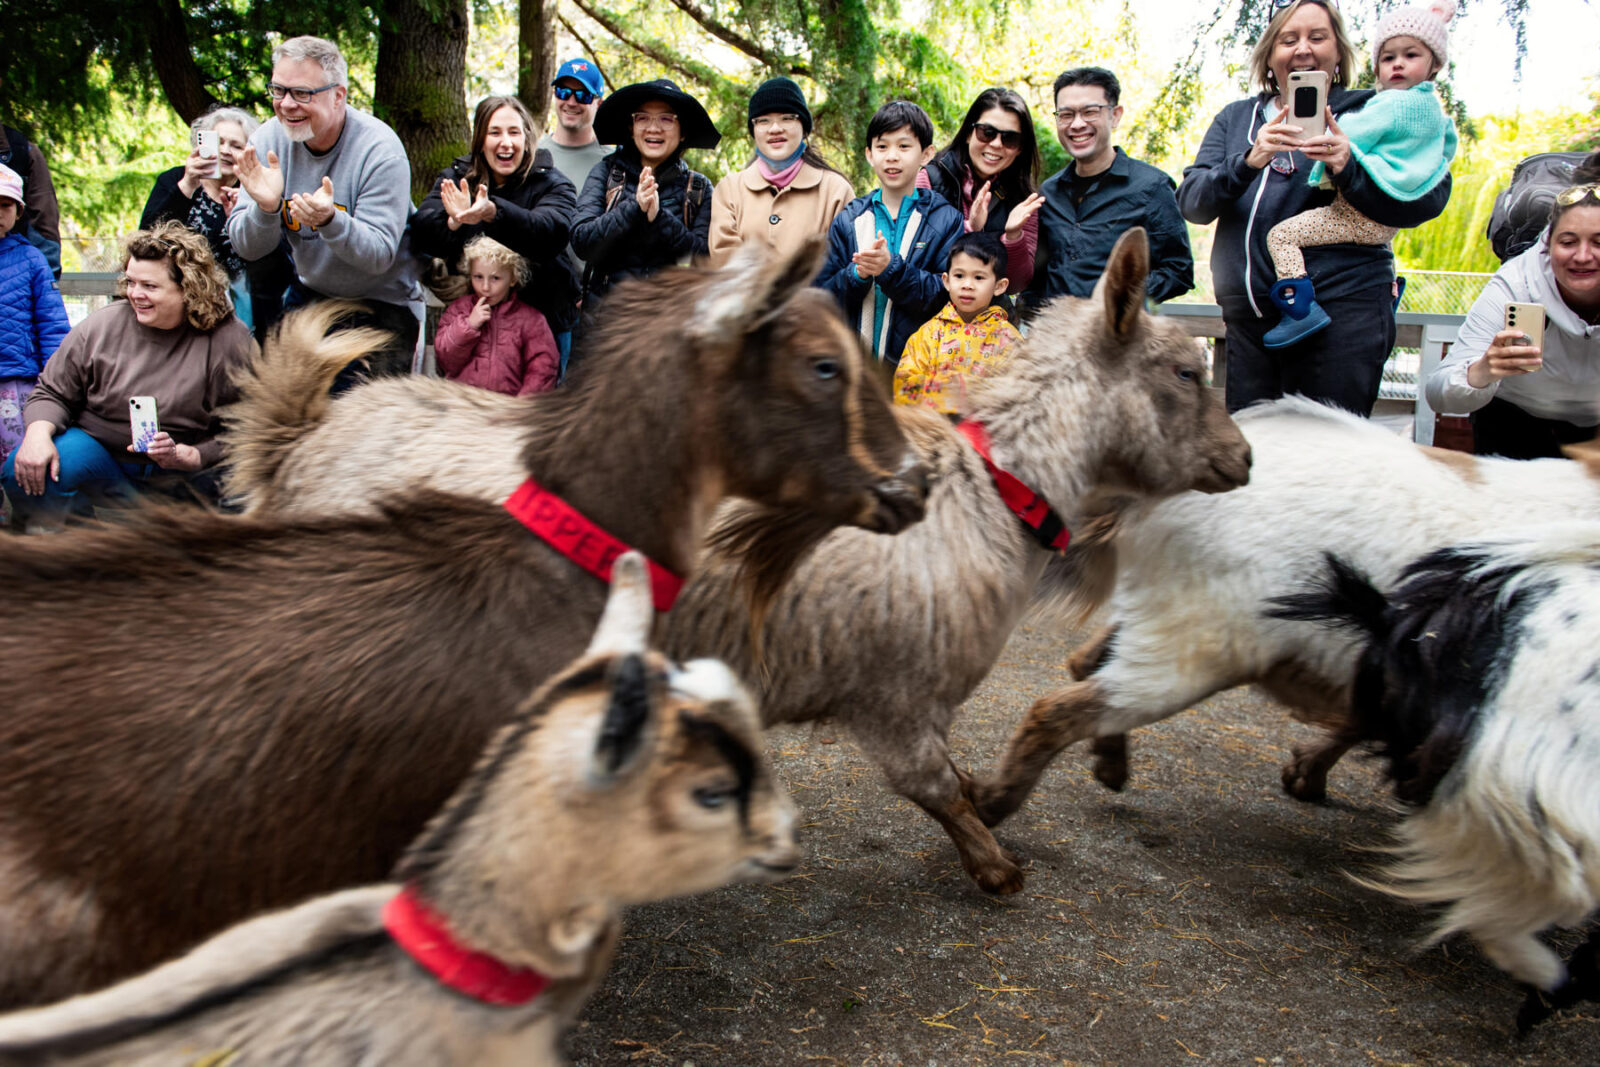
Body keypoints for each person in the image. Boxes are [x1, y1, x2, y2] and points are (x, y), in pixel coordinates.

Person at [1177, 0, 1451, 416]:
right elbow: (1193, 204)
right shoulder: (1236, 119)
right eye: (1289, 40)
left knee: (1327, 461)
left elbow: (1426, 199)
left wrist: (1347, 167)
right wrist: (1250, 159)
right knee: (1256, 462)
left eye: (1317, 37)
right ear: (1270, 55)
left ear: (1338, 51)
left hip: (1342, 321)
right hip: (1250, 323)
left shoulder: (1375, 109)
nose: (1303, 49)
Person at [1, 222, 255, 531]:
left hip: (185, 470)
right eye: (131, 282)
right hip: (102, 454)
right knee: (24, 469)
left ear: (189, 287)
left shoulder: (228, 340)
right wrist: (37, 436)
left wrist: (196, 455)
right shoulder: (102, 325)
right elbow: (52, 392)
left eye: (150, 286)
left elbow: (251, 425)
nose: (135, 294)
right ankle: (82, 544)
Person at [1261, 0, 1458, 348]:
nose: (1397, 64)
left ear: (1435, 63)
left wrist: (1331, 141)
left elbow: (1353, 130)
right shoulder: (1435, 112)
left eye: (1411, 55)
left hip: (1356, 217)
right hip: (1382, 225)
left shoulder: (1392, 104)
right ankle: (1388, 292)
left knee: (1281, 236)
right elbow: (1447, 149)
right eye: (1388, 57)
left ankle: (1301, 310)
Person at [226, 34, 423, 379]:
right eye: (278, 90)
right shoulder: (267, 141)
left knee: (358, 421)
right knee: (289, 408)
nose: (287, 104)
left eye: (302, 93)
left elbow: (378, 256)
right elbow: (247, 247)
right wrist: (266, 208)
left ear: (338, 96)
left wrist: (331, 221)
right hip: (313, 292)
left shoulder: (380, 150)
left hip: (383, 301)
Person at [1425, 161, 1600, 460]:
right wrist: (1481, 371)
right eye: (1568, 242)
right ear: (1548, 244)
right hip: (1515, 423)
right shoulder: (1516, 282)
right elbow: (1438, 393)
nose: (1582, 257)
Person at [412, 95, 579, 372]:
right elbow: (422, 231)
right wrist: (454, 220)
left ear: (527, 138)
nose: (506, 142)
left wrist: (491, 212)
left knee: (539, 408)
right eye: (495, 132)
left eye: (514, 132)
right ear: (480, 139)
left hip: (544, 321)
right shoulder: (457, 178)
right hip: (476, 323)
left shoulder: (552, 183)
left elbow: (551, 233)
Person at [1027, 67, 1192, 309]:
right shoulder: (1048, 193)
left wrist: (1119, 298)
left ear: (1115, 115)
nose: (1077, 124)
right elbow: (1038, 274)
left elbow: (1179, 270)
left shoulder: (1152, 186)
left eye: (1089, 112)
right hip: (1058, 338)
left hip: (1118, 340)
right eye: (1066, 114)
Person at [819, 100, 963, 369]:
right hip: (852, 371)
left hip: (918, 373)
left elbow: (945, 297)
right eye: (882, 146)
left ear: (926, 154)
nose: (892, 156)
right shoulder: (849, 219)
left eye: (904, 146)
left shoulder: (946, 220)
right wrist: (855, 275)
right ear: (869, 154)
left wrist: (891, 270)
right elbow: (824, 296)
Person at [141, 106, 294, 342]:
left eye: (236, 145)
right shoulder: (175, 180)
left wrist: (248, 224)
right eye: (219, 142)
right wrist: (188, 185)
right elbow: (146, 241)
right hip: (182, 315)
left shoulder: (257, 190)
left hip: (247, 322)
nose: (225, 150)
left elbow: (280, 266)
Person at [570, 79, 718, 302]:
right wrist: (634, 208)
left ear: (683, 132)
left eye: (667, 119)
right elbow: (582, 241)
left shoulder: (698, 188)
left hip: (670, 325)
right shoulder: (606, 173)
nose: (653, 128)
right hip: (606, 325)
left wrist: (659, 218)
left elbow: (704, 260)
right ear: (631, 128)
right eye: (643, 118)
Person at [708, 77, 854, 269]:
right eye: (764, 121)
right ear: (754, 130)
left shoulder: (836, 190)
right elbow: (724, 259)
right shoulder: (729, 190)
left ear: (804, 127)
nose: (775, 129)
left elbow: (844, 266)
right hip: (746, 299)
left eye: (787, 118)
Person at [918, 88, 1044, 294]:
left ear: (1020, 148)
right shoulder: (930, 180)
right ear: (969, 133)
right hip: (929, 317)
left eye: (1009, 139)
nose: (996, 144)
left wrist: (1013, 236)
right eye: (987, 132)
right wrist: (969, 229)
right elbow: (917, 257)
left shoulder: (1023, 200)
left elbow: (1016, 284)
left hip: (987, 322)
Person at [893, 232, 1021, 414]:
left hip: (985, 438)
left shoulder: (1008, 340)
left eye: (979, 278)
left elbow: (1019, 396)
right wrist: (948, 390)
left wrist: (971, 389)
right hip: (931, 433)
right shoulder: (929, 334)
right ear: (946, 281)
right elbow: (902, 387)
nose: (967, 285)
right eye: (959, 276)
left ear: (999, 286)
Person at [0, 163, 69, 481]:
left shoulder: (31, 259)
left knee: (15, 461)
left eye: (6, 205)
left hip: (16, 382)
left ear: (18, 211)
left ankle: (22, 524)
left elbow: (52, 325)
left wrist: (56, 384)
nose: (0, 212)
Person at [432, 235, 559, 397]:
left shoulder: (532, 320)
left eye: (495, 278)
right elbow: (446, 361)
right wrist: (468, 326)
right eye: (478, 277)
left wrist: (522, 407)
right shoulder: (459, 310)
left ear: (513, 279)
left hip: (507, 410)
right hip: (462, 409)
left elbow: (543, 368)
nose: (485, 287)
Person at [538, 58, 610, 191]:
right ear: (554, 95)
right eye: (563, 92)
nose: (571, 102)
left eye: (582, 95)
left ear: (599, 104)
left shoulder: (612, 163)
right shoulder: (533, 155)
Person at [0, 123, 61, 279]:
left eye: (5, 205)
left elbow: (44, 221)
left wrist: (46, 277)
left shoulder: (21, 150)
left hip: (14, 274)